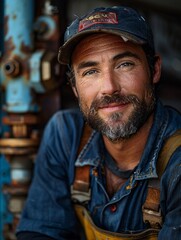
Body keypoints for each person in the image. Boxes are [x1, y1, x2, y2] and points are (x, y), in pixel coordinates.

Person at [16, 6, 181, 240]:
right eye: (90, 71)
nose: (109, 87)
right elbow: (41, 233)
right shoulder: (65, 135)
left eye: (124, 64)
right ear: (74, 88)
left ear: (154, 70)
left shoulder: (176, 164)